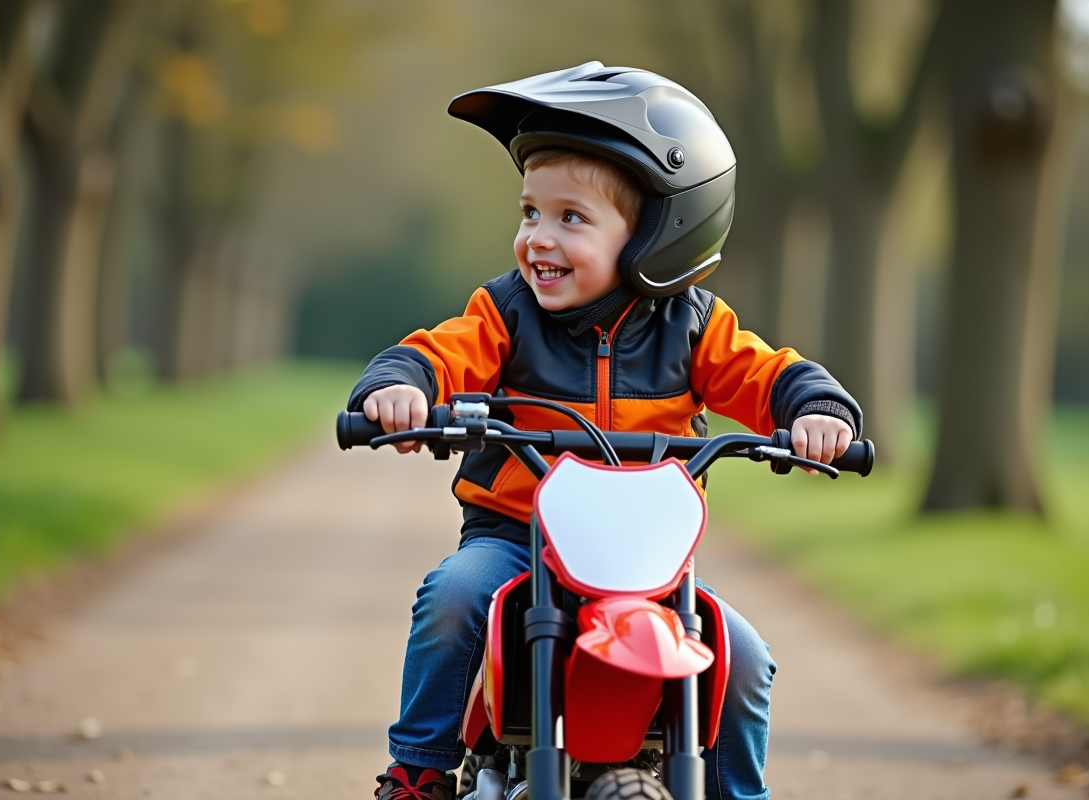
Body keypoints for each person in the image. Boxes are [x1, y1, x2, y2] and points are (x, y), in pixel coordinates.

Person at [348, 63, 862, 800]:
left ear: (662, 232)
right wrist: (401, 387)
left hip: (648, 570)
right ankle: (419, 772)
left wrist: (815, 412)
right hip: (515, 542)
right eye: (530, 212)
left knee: (742, 656)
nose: (537, 239)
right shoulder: (507, 312)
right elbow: (440, 352)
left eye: (571, 218)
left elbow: (768, 375)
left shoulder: (695, 328)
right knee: (455, 597)